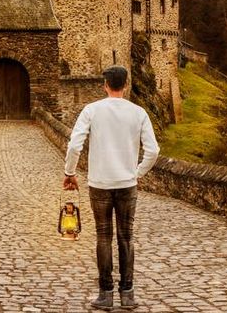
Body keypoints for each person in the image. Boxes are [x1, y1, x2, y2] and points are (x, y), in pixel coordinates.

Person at [63, 65, 160, 310]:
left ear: (105, 85)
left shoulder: (92, 110)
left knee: (103, 237)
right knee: (126, 237)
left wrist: (70, 173)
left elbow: (75, 145)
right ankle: (127, 293)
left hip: (100, 183)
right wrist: (137, 174)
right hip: (127, 184)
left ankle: (105, 294)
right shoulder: (139, 113)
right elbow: (153, 151)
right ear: (125, 85)